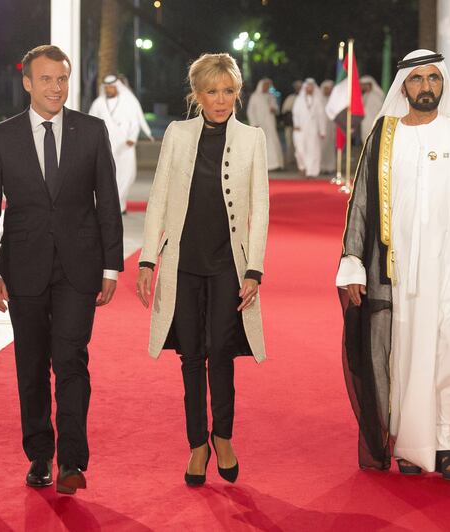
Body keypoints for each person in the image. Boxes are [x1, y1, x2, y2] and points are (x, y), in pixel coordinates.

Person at [336, 49, 450, 480]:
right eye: (417, 79)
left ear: (443, 83)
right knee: (406, 354)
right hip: (397, 269)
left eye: (433, 78)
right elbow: (361, 203)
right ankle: (412, 447)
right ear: (404, 86)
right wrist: (353, 260)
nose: (426, 87)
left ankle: (448, 444)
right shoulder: (384, 135)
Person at [0, 45, 123, 495]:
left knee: (71, 360)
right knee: (32, 365)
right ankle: (40, 454)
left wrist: (111, 266)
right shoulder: (1, 137)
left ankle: (72, 462)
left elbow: (108, 202)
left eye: (62, 79)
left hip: (80, 268)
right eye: (46, 80)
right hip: (22, 269)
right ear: (27, 82)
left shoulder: (92, 130)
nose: (55, 88)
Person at [136, 53, 269, 487]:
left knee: (221, 353)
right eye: (212, 91)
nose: (221, 99)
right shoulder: (177, 133)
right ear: (196, 94)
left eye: (229, 91)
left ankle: (223, 436)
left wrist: (255, 269)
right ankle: (197, 444)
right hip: (183, 264)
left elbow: (261, 210)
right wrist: (147, 259)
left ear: (238, 93)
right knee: (191, 356)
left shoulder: (253, 138)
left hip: (228, 266)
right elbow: (158, 196)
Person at [89, 74, 143, 212]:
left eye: (111, 87)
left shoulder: (128, 102)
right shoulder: (98, 103)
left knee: (127, 174)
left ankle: (121, 204)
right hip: (105, 145)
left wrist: (132, 137)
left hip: (126, 145)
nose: (109, 90)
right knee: (106, 176)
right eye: (106, 87)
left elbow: (135, 122)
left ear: (117, 87)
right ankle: (110, 206)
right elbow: (90, 122)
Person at [292, 78, 327, 177]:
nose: (310, 89)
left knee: (314, 149)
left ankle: (312, 171)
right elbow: (295, 114)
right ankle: (303, 166)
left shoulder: (318, 100)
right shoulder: (299, 100)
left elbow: (321, 116)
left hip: (314, 129)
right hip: (301, 128)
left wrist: (322, 130)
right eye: (308, 87)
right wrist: (296, 125)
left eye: (312, 87)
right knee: (300, 150)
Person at [247, 78, 284, 170]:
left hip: (270, 123)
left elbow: (276, 108)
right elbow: (250, 111)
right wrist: (254, 123)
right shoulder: (255, 96)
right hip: (259, 124)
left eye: (268, 86)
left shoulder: (271, 96)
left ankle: (275, 164)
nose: (267, 87)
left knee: (273, 142)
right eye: (265, 85)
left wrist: (274, 109)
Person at [280, 80, 302, 166]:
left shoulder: (305, 98)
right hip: (290, 124)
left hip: (302, 125)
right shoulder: (291, 98)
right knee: (290, 141)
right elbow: (285, 110)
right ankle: (290, 160)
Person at [360, 75, 385, 144]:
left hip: (373, 123)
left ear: (368, 85)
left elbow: (380, 110)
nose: (362, 87)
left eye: (363, 85)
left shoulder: (376, 95)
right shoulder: (365, 95)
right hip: (365, 123)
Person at [319, 80, 337, 174]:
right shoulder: (318, 100)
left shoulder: (334, 100)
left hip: (331, 128)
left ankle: (330, 167)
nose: (328, 91)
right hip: (320, 129)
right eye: (326, 89)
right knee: (320, 148)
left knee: (330, 148)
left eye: (329, 89)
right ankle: (320, 167)